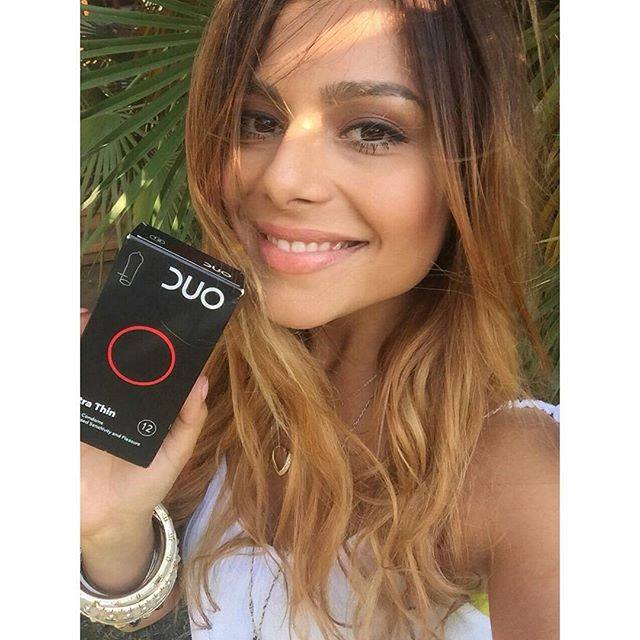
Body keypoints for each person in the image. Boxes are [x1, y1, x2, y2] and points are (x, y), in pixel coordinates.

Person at [80, 0, 559, 638]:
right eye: (257, 120)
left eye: (373, 131)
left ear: (470, 172)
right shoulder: (212, 390)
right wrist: (113, 532)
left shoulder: (527, 470)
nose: (282, 179)